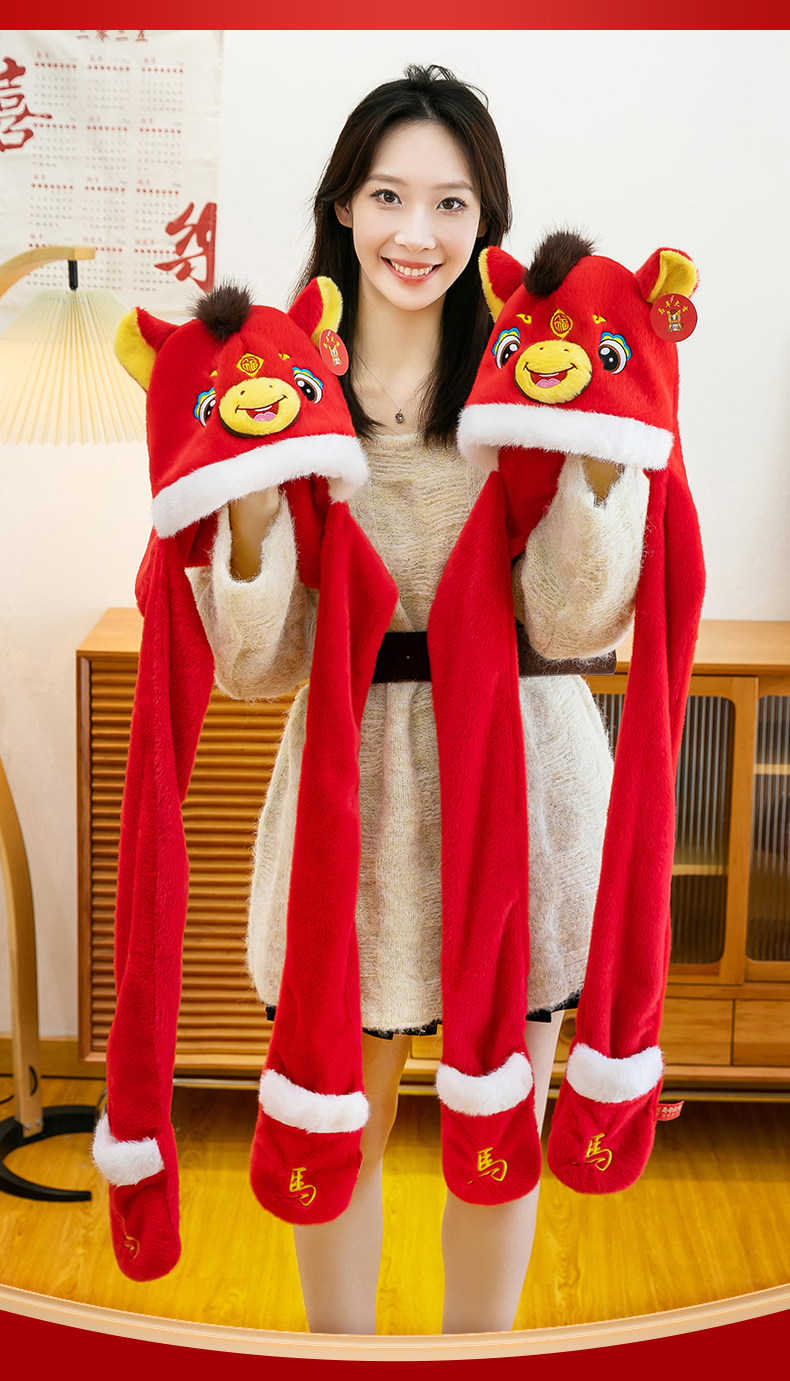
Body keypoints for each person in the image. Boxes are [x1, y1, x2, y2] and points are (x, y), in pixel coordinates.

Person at [190, 64, 649, 1335]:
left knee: (501, 1119)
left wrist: (598, 459)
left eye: (452, 204)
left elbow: (574, 624)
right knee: (335, 1118)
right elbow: (258, 666)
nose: (416, 232)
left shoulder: (536, 387)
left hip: (524, 779)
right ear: (342, 204)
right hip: (354, 792)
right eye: (388, 195)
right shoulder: (275, 397)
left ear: (486, 221)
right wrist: (246, 517)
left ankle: (474, 1356)